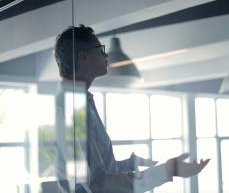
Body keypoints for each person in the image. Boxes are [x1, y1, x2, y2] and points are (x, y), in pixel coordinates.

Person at [54, 24, 210, 193]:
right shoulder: (72, 110)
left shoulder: (78, 103)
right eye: (100, 49)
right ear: (83, 57)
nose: (106, 54)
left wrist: (131, 163)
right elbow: (99, 185)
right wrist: (169, 170)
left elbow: (99, 173)